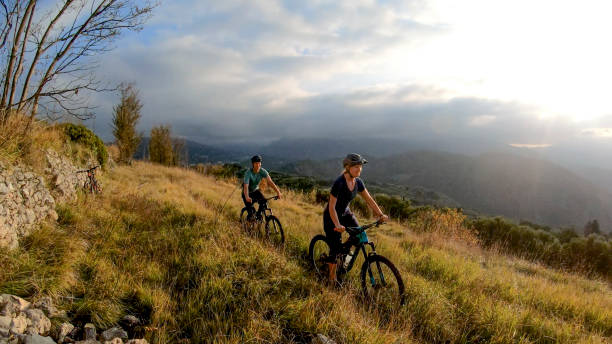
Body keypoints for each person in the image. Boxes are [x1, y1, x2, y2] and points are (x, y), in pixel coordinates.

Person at [323, 153, 388, 283]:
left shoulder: (358, 182)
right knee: (335, 248)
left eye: (360, 167)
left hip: (346, 213)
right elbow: (331, 207)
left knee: (360, 236)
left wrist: (380, 214)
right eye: (356, 167)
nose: (359, 170)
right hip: (332, 216)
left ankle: (345, 253)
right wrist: (337, 224)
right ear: (348, 167)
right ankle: (331, 279)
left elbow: (368, 199)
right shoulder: (339, 183)